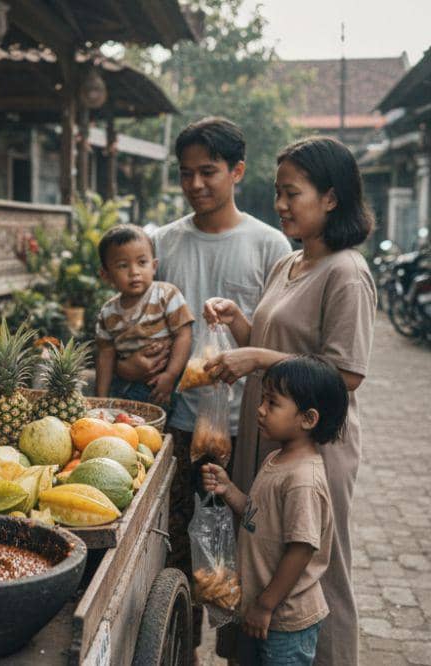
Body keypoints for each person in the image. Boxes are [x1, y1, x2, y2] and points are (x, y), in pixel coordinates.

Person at [115, 117, 291, 654]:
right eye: (185, 173)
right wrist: (131, 363)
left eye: (208, 171)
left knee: (244, 550)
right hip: (174, 424)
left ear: (237, 171)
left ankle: (240, 653)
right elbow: (133, 321)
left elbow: (272, 340)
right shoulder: (161, 243)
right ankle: (180, 650)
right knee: (173, 550)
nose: (195, 184)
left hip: (247, 431)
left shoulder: (270, 245)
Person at [204, 136, 376, 665]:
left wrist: (257, 356)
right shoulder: (291, 263)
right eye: (278, 192)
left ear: (331, 197)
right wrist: (239, 323)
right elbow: (275, 343)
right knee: (260, 549)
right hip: (271, 437)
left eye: (291, 193)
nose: (279, 204)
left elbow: (345, 373)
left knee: (318, 569)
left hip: (314, 449)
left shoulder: (346, 272)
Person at [202, 355, 346, 666]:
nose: (260, 409)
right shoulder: (276, 460)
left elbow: (301, 549)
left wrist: (265, 605)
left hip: (285, 620)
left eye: (272, 403)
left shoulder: (302, 480)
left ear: (308, 419)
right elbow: (258, 515)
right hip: (263, 610)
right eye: (263, 399)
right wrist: (229, 490)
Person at [94, 224, 194, 407]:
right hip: (122, 388)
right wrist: (100, 399)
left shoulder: (166, 295)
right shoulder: (108, 313)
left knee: (158, 423)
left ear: (154, 266)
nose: (134, 272)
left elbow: (184, 335)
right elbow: (105, 356)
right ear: (106, 275)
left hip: (161, 386)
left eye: (142, 262)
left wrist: (170, 375)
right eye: (123, 265)